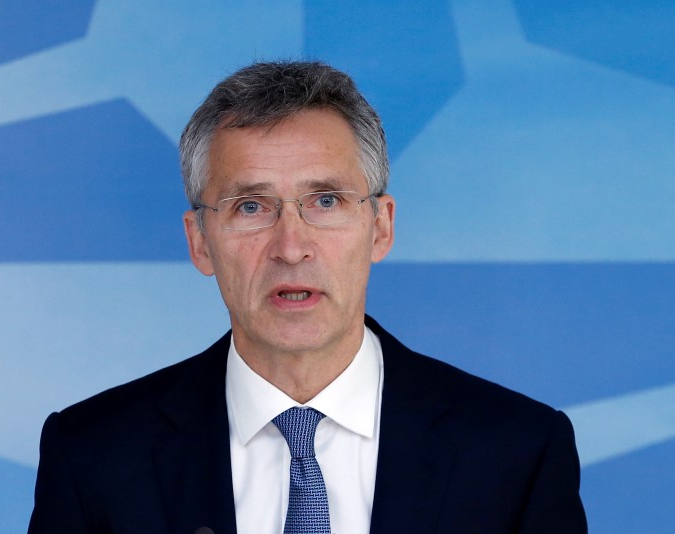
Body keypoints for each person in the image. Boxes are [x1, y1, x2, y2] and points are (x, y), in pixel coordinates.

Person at [29, 60, 587, 533]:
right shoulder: (91, 455)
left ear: (380, 227)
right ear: (200, 242)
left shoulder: (518, 452)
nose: (291, 247)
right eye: (251, 207)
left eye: (325, 201)